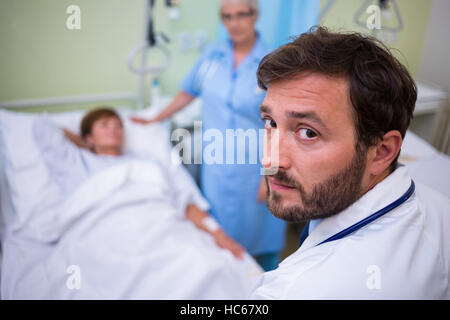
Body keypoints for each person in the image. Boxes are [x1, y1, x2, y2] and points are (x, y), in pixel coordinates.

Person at [250, 27, 450, 299]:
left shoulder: (294, 291)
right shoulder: (439, 205)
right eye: (271, 123)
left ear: (381, 152)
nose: (269, 159)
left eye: (308, 132)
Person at [131, 0, 286, 271]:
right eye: (227, 17)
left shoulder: (272, 62)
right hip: (216, 167)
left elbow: (280, 122)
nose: (234, 23)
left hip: (256, 169)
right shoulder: (212, 56)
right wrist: (156, 118)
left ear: (255, 16)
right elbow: (188, 91)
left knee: (261, 242)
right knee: (219, 242)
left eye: (241, 15)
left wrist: (270, 172)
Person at [33, 108, 245, 259]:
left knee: (198, 263)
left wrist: (219, 235)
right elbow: (42, 126)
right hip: (104, 230)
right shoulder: (78, 162)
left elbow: (184, 201)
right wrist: (84, 146)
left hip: (159, 225)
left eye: (118, 126)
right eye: (104, 125)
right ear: (88, 137)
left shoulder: (145, 160)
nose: (114, 130)